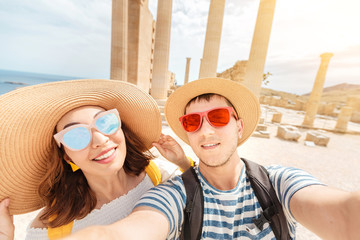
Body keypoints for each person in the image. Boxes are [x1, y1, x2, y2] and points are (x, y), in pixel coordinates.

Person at [61, 77, 360, 240]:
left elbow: (346, 215)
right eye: (192, 122)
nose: (205, 130)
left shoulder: (278, 182)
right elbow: (130, 231)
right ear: (187, 133)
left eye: (217, 117)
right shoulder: (175, 194)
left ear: (239, 126)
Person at [0, 79, 191, 240]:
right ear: (66, 155)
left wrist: (183, 163)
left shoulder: (158, 175)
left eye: (105, 122)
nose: (100, 140)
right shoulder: (50, 229)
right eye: (76, 136)